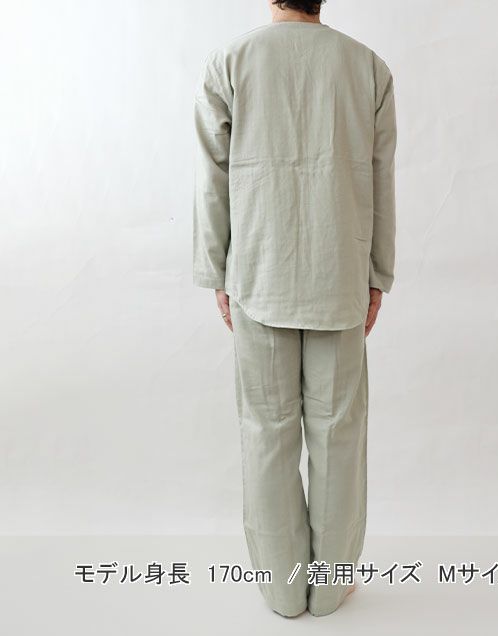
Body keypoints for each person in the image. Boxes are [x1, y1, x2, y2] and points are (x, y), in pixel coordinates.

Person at [192, 0, 397, 618]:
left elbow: (212, 175)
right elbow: (381, 178)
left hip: (258, 272)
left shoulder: (230, 62)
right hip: (341, 275)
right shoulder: (367, 67)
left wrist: (216, 270)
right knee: (339, 434)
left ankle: (282, 592)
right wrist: (377, 274)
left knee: (267, 432)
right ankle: (330, 590)